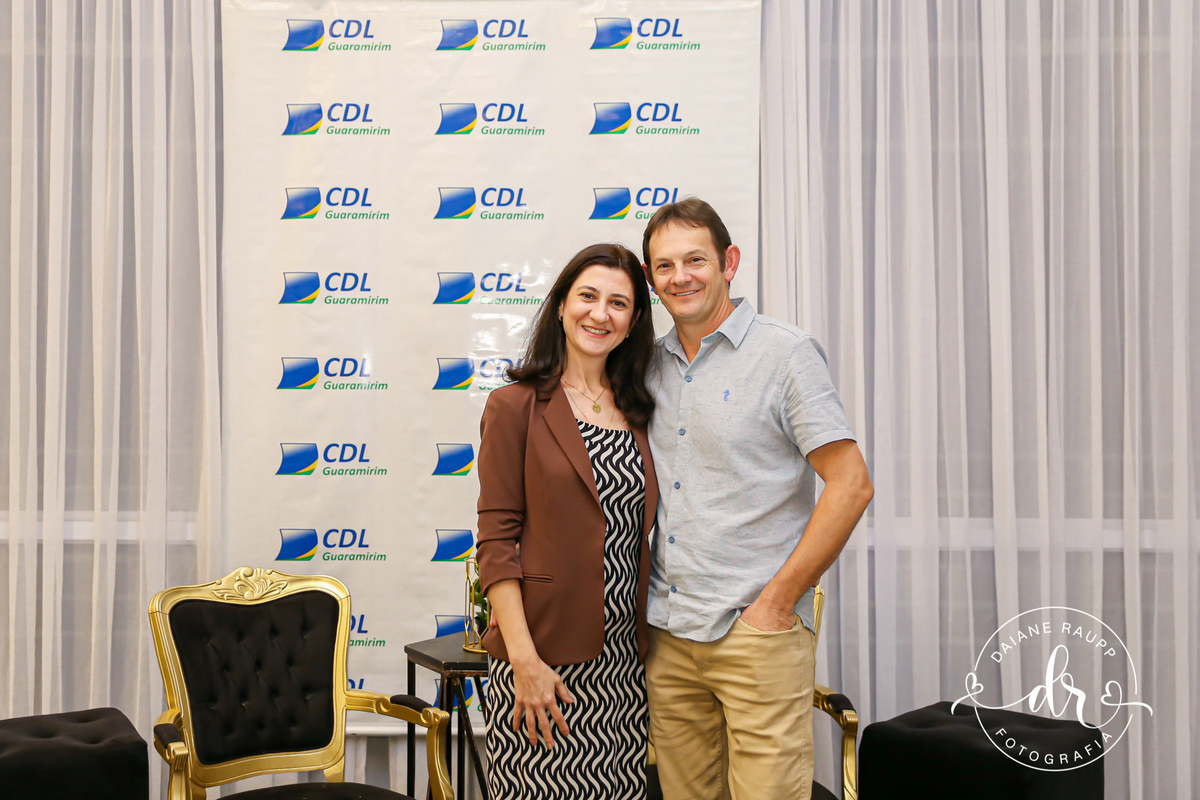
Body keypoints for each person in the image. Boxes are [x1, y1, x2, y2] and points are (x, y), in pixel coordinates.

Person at [641, 199, 874, 800]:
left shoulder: (786, 354)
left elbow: (851, 483)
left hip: (755, 633)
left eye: (695, 260)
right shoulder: (647, 366)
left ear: (729, 262)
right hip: (669, 633)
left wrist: (775, 603)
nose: (680, 277)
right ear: (651, 278)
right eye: (665, 266)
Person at [476, 242, 659, 799]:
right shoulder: (515, 406)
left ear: (634, 322)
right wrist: (524, 662)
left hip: (624, 666)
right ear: (560, 305)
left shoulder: (643, 411)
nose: (600, 314)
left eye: (618, 303)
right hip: (543, 660)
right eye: (588, 296)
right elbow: (496, 543)